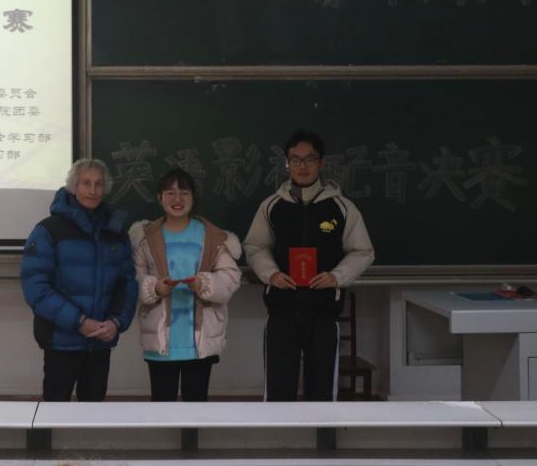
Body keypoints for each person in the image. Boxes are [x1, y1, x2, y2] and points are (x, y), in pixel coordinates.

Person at [244, 130, 374, 401]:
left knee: (322, 395)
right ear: (287, 163)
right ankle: (281, 431)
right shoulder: (272, 206)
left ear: (321, 163)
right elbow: (255, 247)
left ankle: (321, 431)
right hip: (281, 313)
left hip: (324, 314)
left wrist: (337, 277)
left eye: (310, 159)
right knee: (279, 394)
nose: (302, 166)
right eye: (295, 159)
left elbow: (363, 251)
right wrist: (271, 274)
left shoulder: (342, 207)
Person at [20, 158, 138, 401]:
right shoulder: (48, 230)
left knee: (93, 413)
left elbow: (127, 283)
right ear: (74, 187)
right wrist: (79, 321)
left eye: (98, 184)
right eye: (86, 183)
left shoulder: (115, 233)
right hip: (60, 340)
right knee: (55, 412)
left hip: (100, 342)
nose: (93, 190)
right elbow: (36, 288)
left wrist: (116, 322)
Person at [130, 168, 241, 402]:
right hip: (161, 343)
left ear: (193, 197)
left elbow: (231, 277)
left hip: (200, 343)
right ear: (159, 197)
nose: (177, 199)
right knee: (162, 408)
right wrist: (154, 288)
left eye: (184, 193)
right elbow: (132, 279)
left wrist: (204, 284)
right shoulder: (146, 237)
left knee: (196, 408)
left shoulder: (211, 236)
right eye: (170, 193)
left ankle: (192, 432)